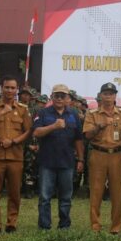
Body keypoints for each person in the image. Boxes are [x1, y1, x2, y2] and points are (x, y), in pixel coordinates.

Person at [0, 76, 32, 234]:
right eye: (7, 87)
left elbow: (28, 131)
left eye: (13, 88)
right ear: (1, 88)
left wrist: (14, 141)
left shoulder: (23, 109)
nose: (10, 90)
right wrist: (2, 112)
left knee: (14, 192)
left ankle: (12, 223)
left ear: (16, 90)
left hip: (15, 156)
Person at [33, 84, 85, 230]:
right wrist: (53, 126)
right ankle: (44, 226)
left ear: (68, 98)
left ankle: (64, 225)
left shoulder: (74, 114)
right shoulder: (42, 112)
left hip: (67, 162)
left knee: (66, 197)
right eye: (57, 95)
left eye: (63, 96)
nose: (60, 98)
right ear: (52, 97)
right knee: (44, 197)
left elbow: (78, 139)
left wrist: (80, 159)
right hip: (47, 161)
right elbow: (36, 132)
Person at [83, 82, 121, 234]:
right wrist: (100, 125)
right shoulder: (92, 114)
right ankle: (95, 226)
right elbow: (87, 135)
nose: (108, 96)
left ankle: (116, 226)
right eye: (105, 93)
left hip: (117, 155)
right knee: (96, 192)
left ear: (115, 96)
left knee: (117, 193)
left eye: (111, 93)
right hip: (98, 154)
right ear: (100, 95)